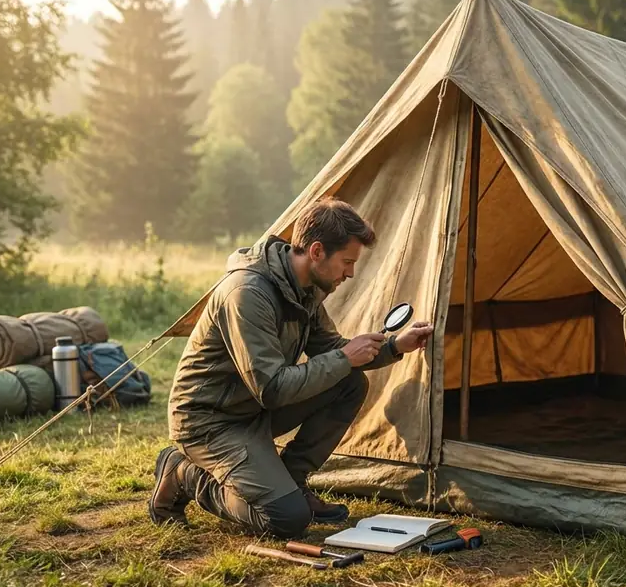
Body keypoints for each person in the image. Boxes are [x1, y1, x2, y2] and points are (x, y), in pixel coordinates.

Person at [148, 198, 433, 538]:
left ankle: (293, 483)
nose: (350, 273)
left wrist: (394, 346)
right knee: (284, 520)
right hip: (210, 420)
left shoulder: (305, 288)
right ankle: (183, 473)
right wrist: (345, 358)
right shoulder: (247, 294)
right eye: (347, 262)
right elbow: (272, 388)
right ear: (316, 251)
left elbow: (330, 350)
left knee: (349, 383)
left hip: (250, 410)